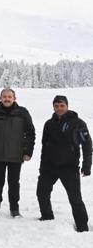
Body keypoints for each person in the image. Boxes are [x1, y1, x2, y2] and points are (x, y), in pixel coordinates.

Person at [36, 95, 91, 232]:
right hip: (49, 166)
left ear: (67, 106)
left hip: (69, 167)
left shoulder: (78, 123)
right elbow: (45, 145)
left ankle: (82, 227)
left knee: (75, 198)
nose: (59, 108)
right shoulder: (49, 124)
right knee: (42, 192)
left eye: (62, 106)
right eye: (56, 106)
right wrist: (43, 166)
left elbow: (87, 145)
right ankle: (47, 217)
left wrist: (86, 165)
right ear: (53, 107)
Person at [0, 88, 36, 217]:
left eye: (9, 97)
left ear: (14, 98)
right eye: (4, 96)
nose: (7, 99)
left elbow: (30, 133)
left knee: (14, 182)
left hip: (16, 154)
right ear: (0, 98)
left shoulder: (22, 112)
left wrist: (28, 151)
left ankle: (14, 208)